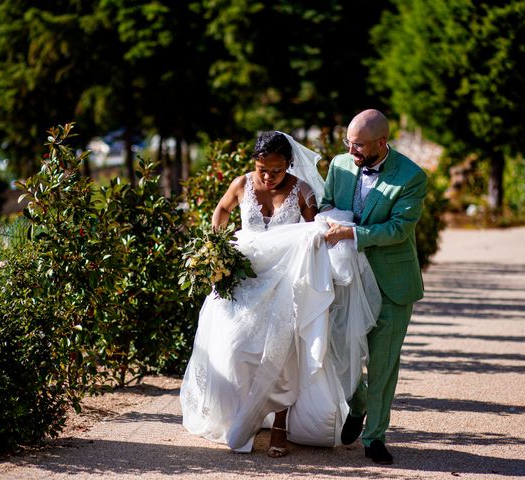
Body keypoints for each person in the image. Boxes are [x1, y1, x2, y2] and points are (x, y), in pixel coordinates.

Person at [180, 131, 381, 458]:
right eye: (262, 168)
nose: (267, 176)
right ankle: (245, 415)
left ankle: (279, 427)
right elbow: (221, 210)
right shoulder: (241, 183)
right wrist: (216, 248)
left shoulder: (302, 192)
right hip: (243, 282)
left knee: (281, 354)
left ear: (289, 164)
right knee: (235, 352)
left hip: (285, 285)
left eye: (275, 170)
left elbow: (314, 238)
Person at [321, 109, 428, 464]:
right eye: (348, 143)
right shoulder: (339, 165)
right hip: (345, 278)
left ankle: (375, 437)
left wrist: (351, 233)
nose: (351, 151)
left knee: (382, 364)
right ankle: (358, 404)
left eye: (359, 146)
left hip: (391, 284)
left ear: (382, 143)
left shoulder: (412, 177)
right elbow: (327, 206)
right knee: (338, 354)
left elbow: (399, 229)